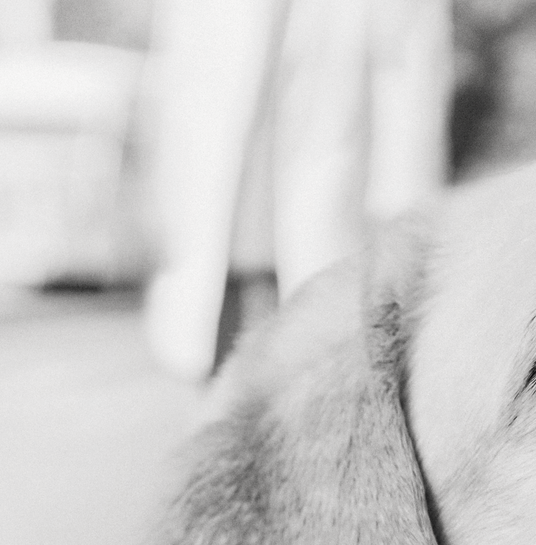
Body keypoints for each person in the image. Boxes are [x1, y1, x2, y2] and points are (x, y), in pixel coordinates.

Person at [140, 0, 454, 381]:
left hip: (334, 213)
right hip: (221, 217)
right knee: (213, 365)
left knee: (318, 374)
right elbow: (175, 77)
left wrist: (405, 220)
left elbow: (410, 79)